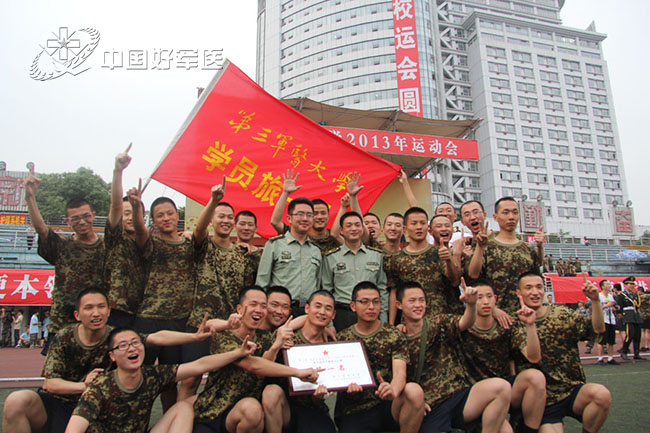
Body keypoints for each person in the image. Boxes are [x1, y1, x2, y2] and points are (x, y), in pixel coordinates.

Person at [2, 288, 213, 433]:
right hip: (61, 406)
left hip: (100, 414)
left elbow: (156, 338)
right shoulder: (65, 337)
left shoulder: (117, 338)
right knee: (17, 400)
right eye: (89, 308)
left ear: (109, 311)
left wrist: (194, 337)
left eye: (101, 307)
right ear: (77, 314)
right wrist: (84, 387)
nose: (96, 313)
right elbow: (50, 383)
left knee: (184, 407)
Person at [64, 326, 256, 433]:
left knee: (183, 408)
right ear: (112, 356)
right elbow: (74, 429)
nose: (132, 348)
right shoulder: (100, 387)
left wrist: (237, 353)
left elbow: (199, 365)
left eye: (135, 343)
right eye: (123, 345)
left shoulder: (151, 375)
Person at [192, 286, 321, 433]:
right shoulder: (224, 336)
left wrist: (276, 345)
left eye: (263, 306)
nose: (258, 310)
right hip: (212, 414)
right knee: (251, 409)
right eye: (253, 304)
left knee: (253, 410)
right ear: (239, 309)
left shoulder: (265, 338)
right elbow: (254, 365)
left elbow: (262, 372)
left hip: (247, 412)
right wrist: (297, 372)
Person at [396, 280, 511, 433]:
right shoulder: (396, 337)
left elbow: (464, 323)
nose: (418, 305)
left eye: (421, 300)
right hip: (431, 405)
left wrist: (471, 305)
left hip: (459, 396)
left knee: (502, 387)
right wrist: (414, 404)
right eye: (412, 301)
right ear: (399, 305)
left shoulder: (438, 323)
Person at [128, 181, 200, 410]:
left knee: (170, 379)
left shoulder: (190, 244)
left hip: (178, 321)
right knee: (140, 376)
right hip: (148, 319)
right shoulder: (150, 243)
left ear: (177, 215)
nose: (166, 218)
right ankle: (135, 420)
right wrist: (136, 206)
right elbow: (140, 230)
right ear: (154, 220)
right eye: (160, 215)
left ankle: (170, 420)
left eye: (170, 213)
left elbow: (202, 232)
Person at [515, 272, 611, 432]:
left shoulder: (562, 313)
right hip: (544, 399)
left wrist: (595, 301)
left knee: (601, 395)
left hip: (571, 390)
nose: (535, 292)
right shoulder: (516, 322)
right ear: (519, 293)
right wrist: (530, 324)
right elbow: (533, 357)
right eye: (528, 288)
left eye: (539, 287)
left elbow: (598, 329)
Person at [24, 171, 105, 347]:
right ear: (68, 221)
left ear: (93, 215)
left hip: (97, 322)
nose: (81, 222)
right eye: (75, 218)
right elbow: (41, 229)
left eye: (85, 216)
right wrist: (30, 197)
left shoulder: (108, 247)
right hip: (63, 322)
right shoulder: (62, 245)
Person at [335, 281, 424, 433]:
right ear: (353, 306)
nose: (371, 307)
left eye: (376, 302)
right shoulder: (342, 338)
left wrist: (392, 390)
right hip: (356, 408)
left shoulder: (393, 334)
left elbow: (400, 373)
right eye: (364, 302)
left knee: (414, 391)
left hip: (388, 403)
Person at [459, 280, 546, 433]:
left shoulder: (506, 324)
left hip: (505, 388)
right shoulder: (461, 328)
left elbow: (534, 358)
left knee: (535, 377)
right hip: (475, 393)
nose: (485, 302)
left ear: (495, 300)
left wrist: (530, 325)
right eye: (479, 298)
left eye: (489, 297)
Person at [261, 290, 339, 433]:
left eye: (328, 309)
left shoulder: (331, 344)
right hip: (284, 406)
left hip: (312, 408)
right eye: (317, 306)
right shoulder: (286, 337)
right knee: (271, 392)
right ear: (307, 308)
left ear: (333, 315)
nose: (322, 312)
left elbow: (323, 393)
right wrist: (276, 346)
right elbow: (262, 368)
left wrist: (320, 397)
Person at [468, 197, 544, 329]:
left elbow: (536, 282)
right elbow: (474, 277)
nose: (511, 217)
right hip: (494, 318)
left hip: (524, 317)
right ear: (495, 217)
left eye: (515, 212)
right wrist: (493, 308)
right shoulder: (486, 246)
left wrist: (540, 246)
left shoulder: (527, 249)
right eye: (506, 212)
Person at [385, 209, 462, 324]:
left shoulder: (440, 253)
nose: (419, 227)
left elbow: (455, 281)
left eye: (423, 223)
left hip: (442, 320)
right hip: (412, 322)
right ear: (405, 229)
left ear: (428, 228)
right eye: (414, 223)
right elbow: (394, 291)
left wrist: (448, 260)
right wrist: (391, 324)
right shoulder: (397, 259)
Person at [256, 196, 322, 316]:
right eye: (300, 214)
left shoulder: (316, 250)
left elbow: (318, 284)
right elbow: (262, 281)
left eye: (309, 215)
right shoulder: (274, 245)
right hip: (279, 311)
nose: (305, 219)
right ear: (289, 218)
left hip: (308, 312)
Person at [105, 144, 147, 328]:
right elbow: (115, 205)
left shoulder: (150, 243)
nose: (129, 218)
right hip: (118, 309)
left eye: (134, 212)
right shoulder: (116, 239)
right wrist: (118, 171)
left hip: (145, 310)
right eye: (125, 214)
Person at [323, 211, 387, 329]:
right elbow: (326, 292)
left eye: (357, 225)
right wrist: (329, 324)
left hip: (371, 313)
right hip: (343, 314)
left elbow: (382, 289)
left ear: (362, 229)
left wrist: (383, 319)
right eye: (349, 225)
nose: (354, 229)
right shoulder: (331, 257)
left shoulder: (376, 255)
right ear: (341, 230)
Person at [616, 276, 644, 360]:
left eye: (633, 284)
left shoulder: (635, 295)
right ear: (625, 285)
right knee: (630, 334)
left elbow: (638, 305)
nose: (632, 286)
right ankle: (624, 351)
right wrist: (620, 316)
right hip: (628, 316)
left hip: (636, 316)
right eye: (630, 284)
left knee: (637, 335)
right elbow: (619, 307)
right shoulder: (622, 295)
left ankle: (637, 353)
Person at [597, 280, 619, 365]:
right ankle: (600, 358)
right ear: (602, 287)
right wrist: (607, 305)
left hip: (611, 319)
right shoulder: (599, 296)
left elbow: (613, 306)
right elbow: (596, 308)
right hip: (603, 320)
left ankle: (610, 358)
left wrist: (615, 308)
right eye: (607, 284)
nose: (609, 285)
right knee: (601, 340)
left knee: (611, 341)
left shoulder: (610, 296)